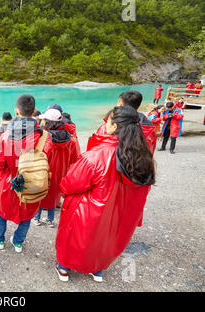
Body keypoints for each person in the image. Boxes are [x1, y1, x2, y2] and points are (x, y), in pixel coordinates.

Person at [55, 106, 155, 283]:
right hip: (121, 213)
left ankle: (64, 268)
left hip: (89, 210)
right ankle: (97, 270)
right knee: (107, 239)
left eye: (107, 120)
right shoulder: (144, 157)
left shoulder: (97, 156)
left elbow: (69, 184)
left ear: (114, 126)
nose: (105, 123)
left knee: (75, 238)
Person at [0, 94, 46, 253]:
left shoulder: (6, 136)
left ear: (16, 111)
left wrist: (7, 170)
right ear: (34, 111)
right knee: (27, 212)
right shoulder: (42, 136)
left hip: (9, 180)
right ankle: (18, 242)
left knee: (3, 210)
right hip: (33, 180)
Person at [33, 108, 79, 227]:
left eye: (44, 120)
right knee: (54, 197)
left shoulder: (46, 137)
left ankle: (36, 218)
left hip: (45, 172)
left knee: (40, 195)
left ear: (48, 122)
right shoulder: (70, 137)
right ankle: (50, 220)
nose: (42, 122)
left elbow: (42, 156)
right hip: (60, 173)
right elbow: (74, 158)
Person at [87, 90, 157, 154]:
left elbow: (95, 150)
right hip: (141, 165)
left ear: (120, 104)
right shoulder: (150, 129)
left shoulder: (108, 127)